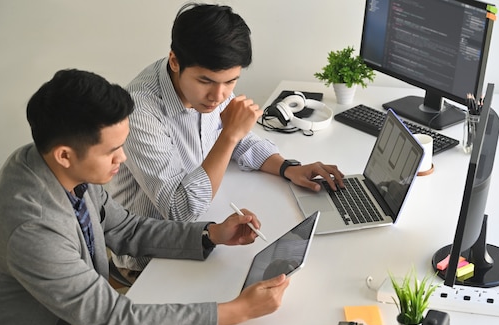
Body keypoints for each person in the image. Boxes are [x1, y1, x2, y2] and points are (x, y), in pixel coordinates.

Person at [0, 69, 290, 325]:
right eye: (111, 151)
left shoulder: (55, 162)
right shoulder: (32, 226)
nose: (122, 157)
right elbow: (109, 319)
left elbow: (125, 228)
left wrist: (211, 233)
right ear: (65, 155)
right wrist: (239, 310)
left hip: (81, 313)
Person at [107, 3, 345, 277]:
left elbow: (242, 140)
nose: (219, 96)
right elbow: (180, 210)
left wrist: (288, 168)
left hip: (205, 229)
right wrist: (229, 135)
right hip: (151, 259)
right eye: (206, 81)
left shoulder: (211, 89)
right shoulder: (139, 109)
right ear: (174, 61)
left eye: (231, 81)